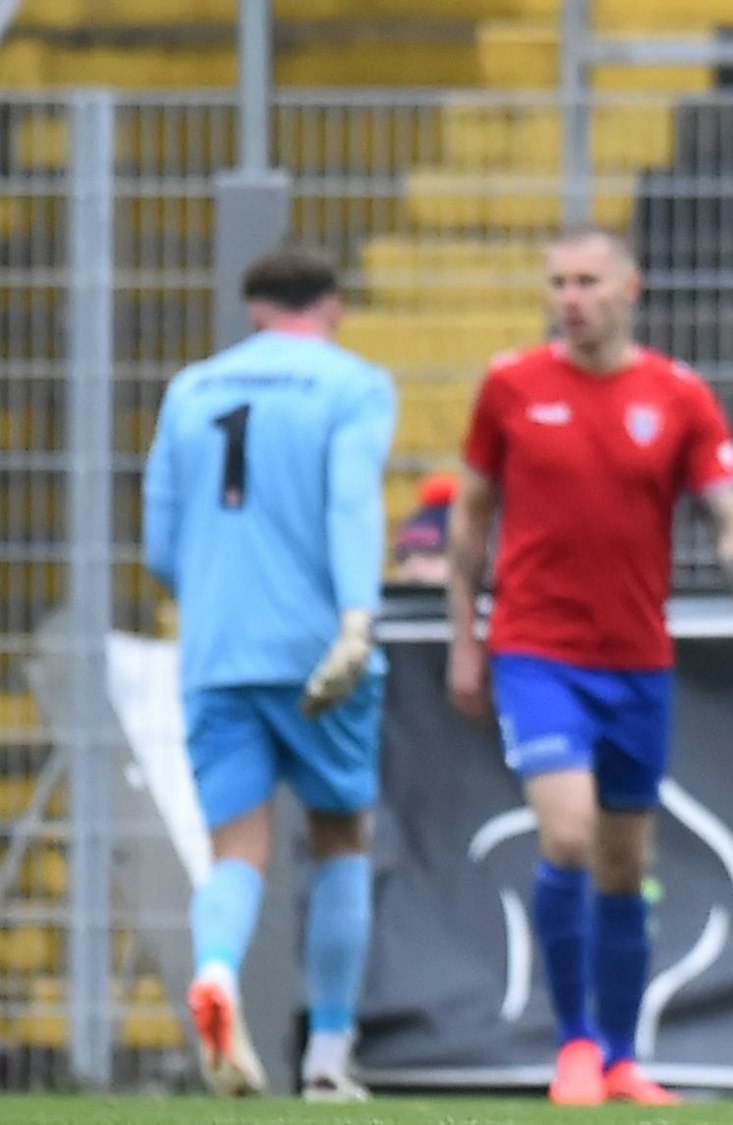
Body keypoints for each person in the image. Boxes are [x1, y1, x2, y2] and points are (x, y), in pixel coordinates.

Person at [444, 227, 733, 1107]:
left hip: (638, 660)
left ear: (629, 289)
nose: (569, 296)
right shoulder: (511, 386)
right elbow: (469, 518)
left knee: (622, 862)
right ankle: (571, 1043)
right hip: (536, 651)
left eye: (586, 280)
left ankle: (617, 1053)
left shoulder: (677, 396)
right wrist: (467, 633)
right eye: (557, 280)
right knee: (565, 835)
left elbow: (732, 525)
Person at [143, 244, 396, 1102]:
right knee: (340, 834)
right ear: (333, 307)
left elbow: (161, 547)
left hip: (217, 649)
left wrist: (218, 600)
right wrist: (356, 619)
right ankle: (328, 1054)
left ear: (253, 309)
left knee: (234, 848)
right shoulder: (353, 383)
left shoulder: (190, 388)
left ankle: (216, 969)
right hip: (320, 648)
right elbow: (351, 498)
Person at [390, 470, 457, 586]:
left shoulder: (413, 519)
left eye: (429, 556)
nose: (414, 569)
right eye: (404, 558)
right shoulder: (457, 523)